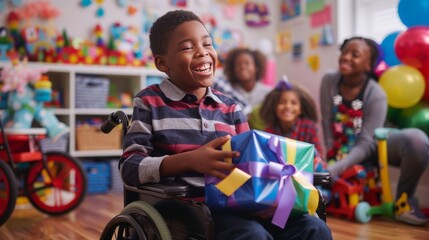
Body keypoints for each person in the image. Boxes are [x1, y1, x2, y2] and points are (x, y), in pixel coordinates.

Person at [120, 9, 332, 240]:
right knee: (252, 235)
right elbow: (130, 167)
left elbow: (252, 165)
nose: (202, 52)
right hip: (187, 210)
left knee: (313, 227)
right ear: (162, 63)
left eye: (207, 44)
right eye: (187, 47)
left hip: (240, 204)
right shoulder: (151, 102)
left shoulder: (231, 108)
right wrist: (190, 160)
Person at [319, 36, 429, 226]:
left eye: (355, 54)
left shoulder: (376, 93)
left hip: (372, 148)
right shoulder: (329, 81)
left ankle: (404, 201)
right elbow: (327, 124)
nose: (346, 57)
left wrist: (336, 168)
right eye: (344, 52)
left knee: (417, 139)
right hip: (339, 150)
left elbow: (367, 142)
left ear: (368, 65)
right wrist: (331, 160)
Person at [260, 78, 326, 171]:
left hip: (307, 174)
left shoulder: (308, 127)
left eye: (293, 103)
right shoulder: (268, 133)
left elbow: (318, 156)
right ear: (274, 107)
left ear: (300, 109)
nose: (288, 106)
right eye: (282, 102)